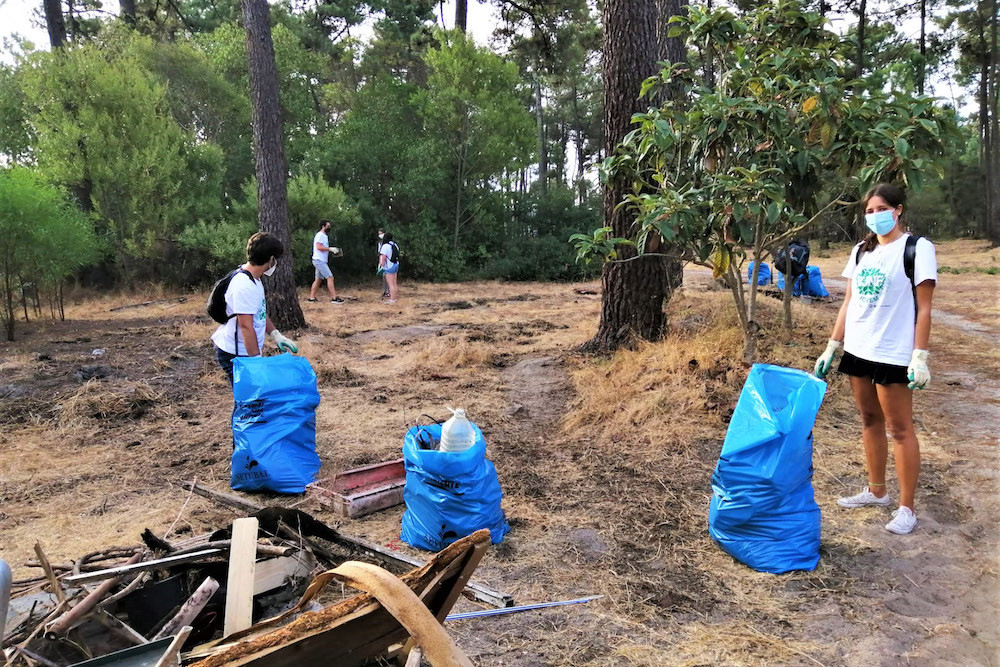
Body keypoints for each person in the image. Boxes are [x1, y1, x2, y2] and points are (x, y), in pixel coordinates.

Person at [813, 183, 937, 535]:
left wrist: (920, 356)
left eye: (880, 209)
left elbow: (925, 308)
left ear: (898, 210)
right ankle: (877, 490)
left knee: (900, 429)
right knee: (869, 419)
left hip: (894, 352)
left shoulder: (917, 248)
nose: (874, 216)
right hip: (859, 349)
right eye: (868, 211)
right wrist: (832, 346)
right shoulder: (860, 252)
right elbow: (849, 303)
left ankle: (906, 508)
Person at [211, 232, 298, 384]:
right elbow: (246, 326)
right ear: (271, 259)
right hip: (235, 354)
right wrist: (256, 362)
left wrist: (275, 334)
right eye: (275, 259)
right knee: (249, 402)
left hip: (245, 352)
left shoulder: (254, 280)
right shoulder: (244, 285)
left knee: (253, 401)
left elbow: (259, 312)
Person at [307, 219, 343, 304]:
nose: (329, 228)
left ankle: (311, 298)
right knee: (330, 277)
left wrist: (331, 250)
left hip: (320, 260)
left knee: (318, 279)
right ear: (323, 226)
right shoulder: (320, 235)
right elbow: (319, 247)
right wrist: (330, 249)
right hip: (319, 260)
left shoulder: (324, 236)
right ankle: (334, 298)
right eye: (328, 226)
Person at [378, 232, 400, 304]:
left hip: (389, 266)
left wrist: (382, 266)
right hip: (396, 265)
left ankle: (392, 300)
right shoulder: (395, 245)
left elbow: (383, 257)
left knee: (390, 284)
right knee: (394, 283)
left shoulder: (385, 246)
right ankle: (394, 298)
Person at [377, 228, 389, 299]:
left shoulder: (388, 244)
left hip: (388, 263)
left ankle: (388, 292)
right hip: (382, 262)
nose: (380, 235)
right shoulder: (380, 243)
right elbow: (380, 253)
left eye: (381, 233)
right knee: (384, 277)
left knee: (388, 277)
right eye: (379, 234)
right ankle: (385, 291)